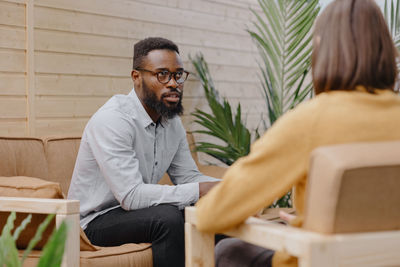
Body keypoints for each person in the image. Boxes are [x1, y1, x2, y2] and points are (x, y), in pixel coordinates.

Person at [195, 0, 400, 266]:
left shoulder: (311, 121)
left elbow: (213, 215)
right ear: (386, 51)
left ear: (322, 50)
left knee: (228, 251)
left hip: (317, 260)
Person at [67, 37, 219, 267]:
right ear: (136, 77)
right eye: (162, 74)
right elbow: (131, 196)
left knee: (215, 210)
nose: (173, 83)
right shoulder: (113, 120)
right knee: (167, 218)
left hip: (138, 213)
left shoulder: (171, 122)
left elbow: (189, 177)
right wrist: (200, 190)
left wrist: (231, 188)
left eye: (178, 75)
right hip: (93, 222)